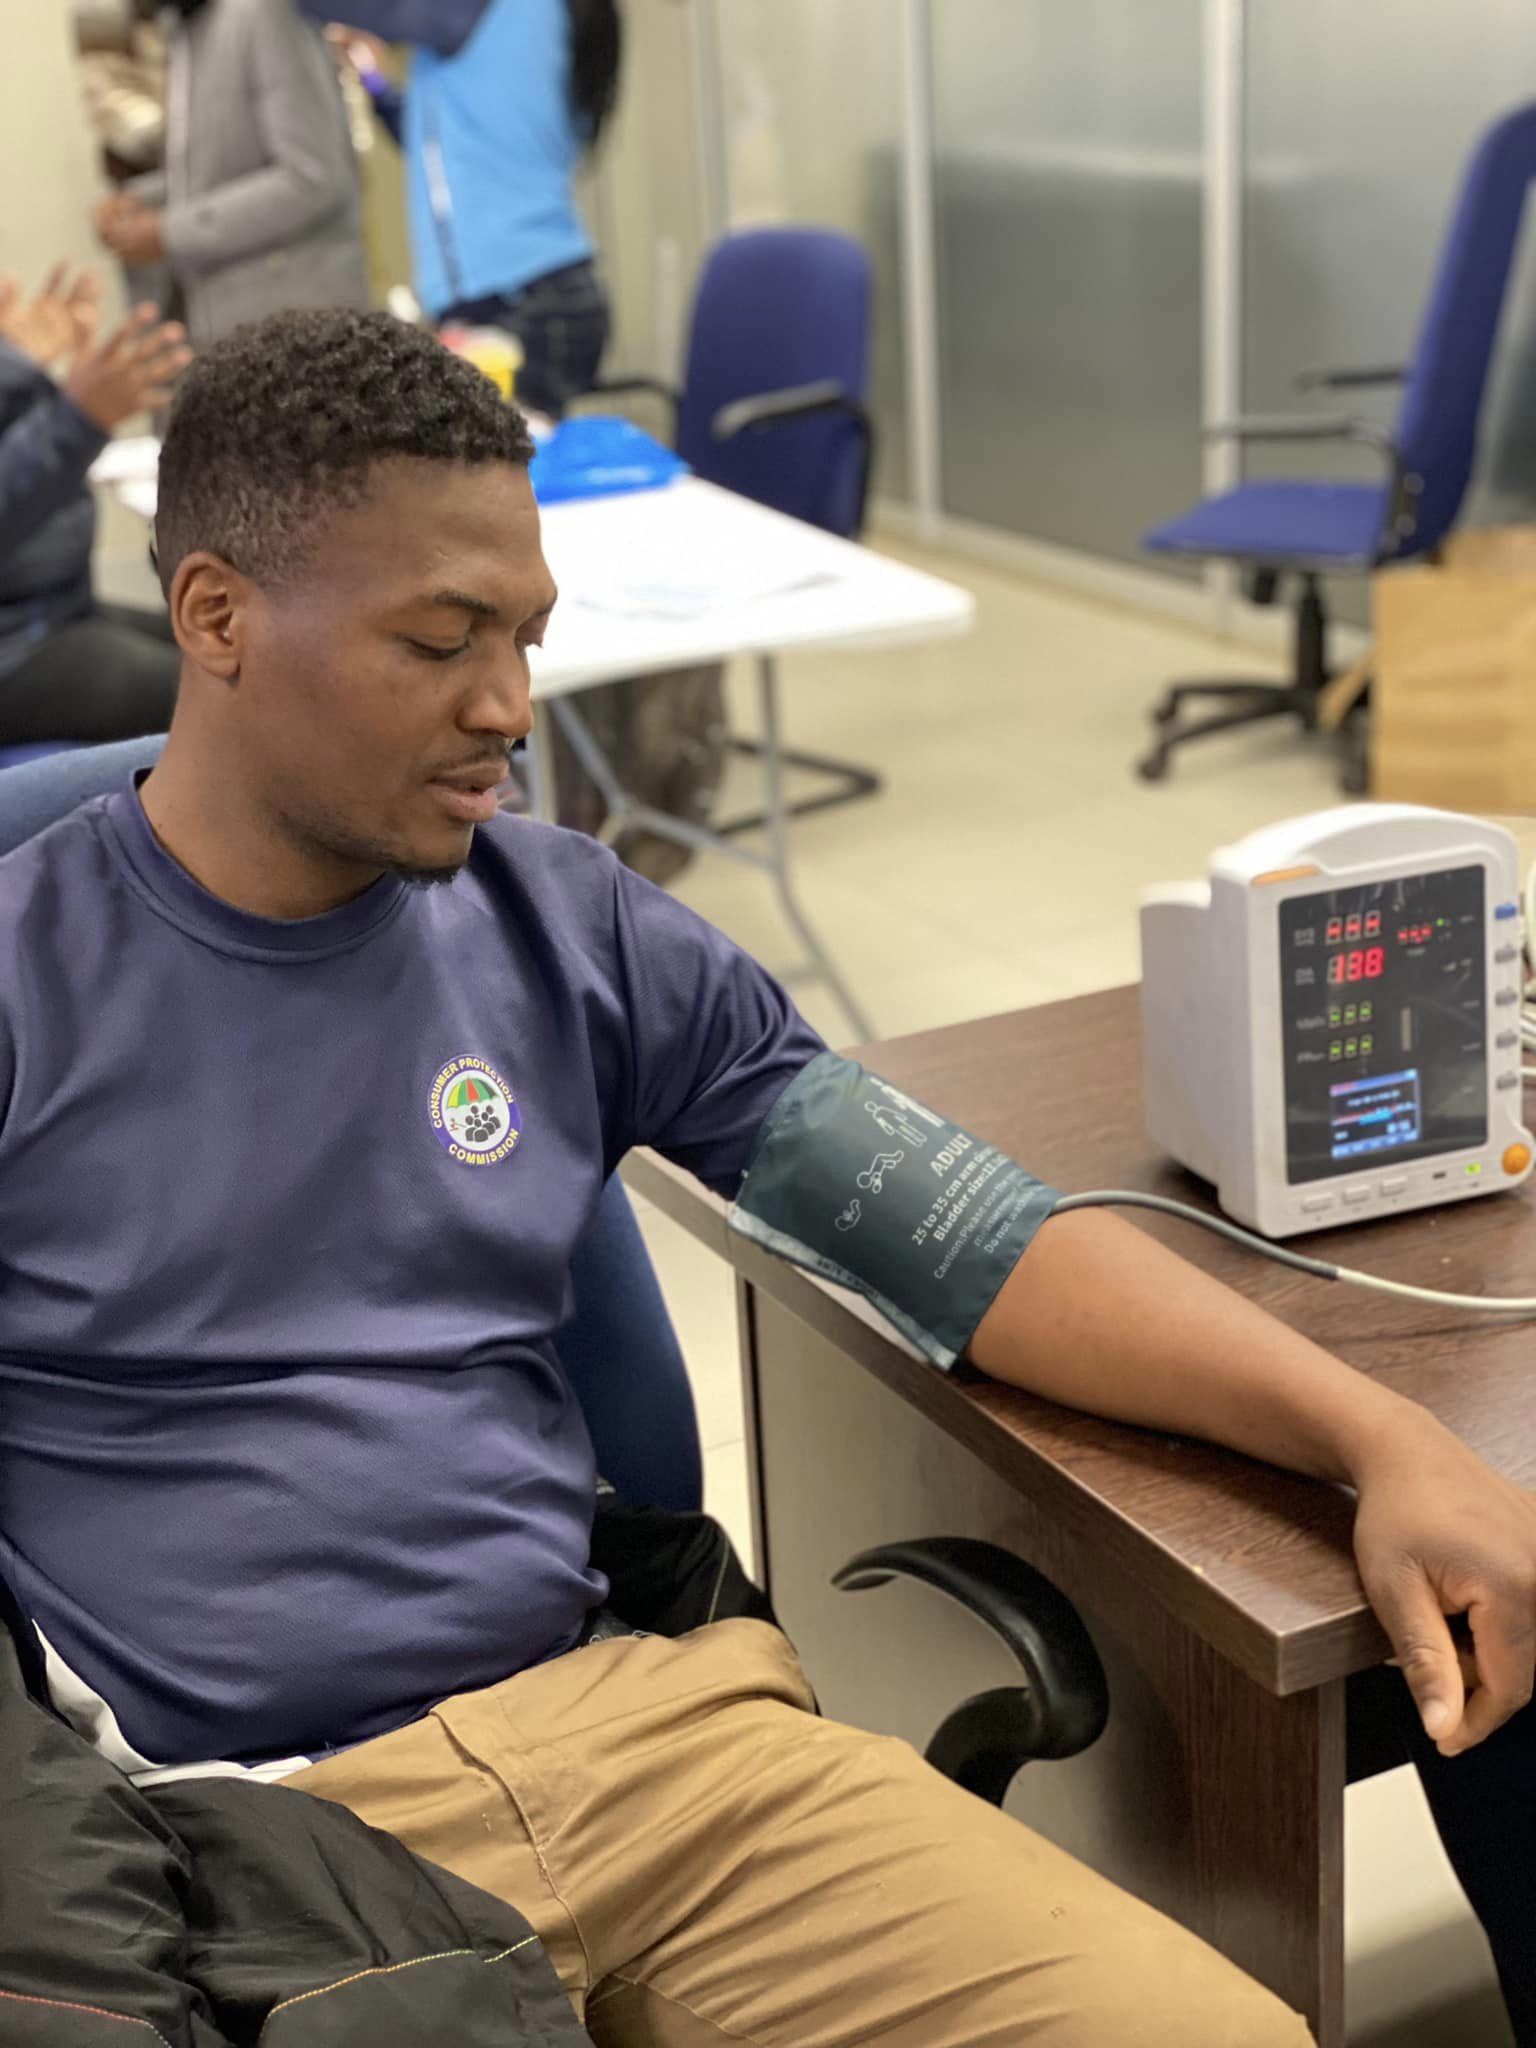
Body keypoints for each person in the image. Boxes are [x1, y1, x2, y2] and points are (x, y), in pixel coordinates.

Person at [3, 307, 1535, 2047]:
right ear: (215, 617)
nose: (508, 709)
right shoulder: (26, 977)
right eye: (439, 641)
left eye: (525, 637)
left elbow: (972, 1244)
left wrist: (1384, 1442)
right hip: (252, 1845)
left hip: (651, 1744)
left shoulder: (566, 925)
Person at [310, 0, 619, 418]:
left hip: (520, 302)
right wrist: (374, 81)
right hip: (539, 294)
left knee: (501, 456)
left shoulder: (481, 10)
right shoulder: (519, 22)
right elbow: (441, 152)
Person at [92, 0, 370, 347]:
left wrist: (169, 233)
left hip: (304, 341)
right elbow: (222, 167)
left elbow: (311, 178)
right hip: (237, 341)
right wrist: (140, 200)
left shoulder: (266, 13)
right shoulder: (187, 28)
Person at [0, 268, 190, 746]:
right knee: (226, 691)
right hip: (17, 646)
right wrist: (77, 418)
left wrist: (18, 366)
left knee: (241, 644)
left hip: (54, 609)